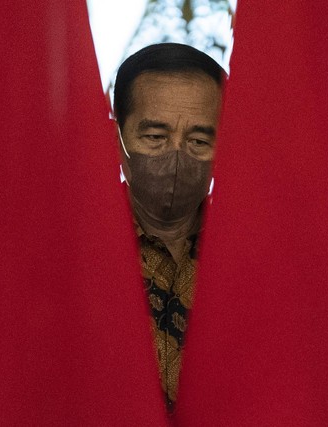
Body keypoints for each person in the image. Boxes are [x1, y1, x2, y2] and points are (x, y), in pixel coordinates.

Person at [113, 43, 224, 412]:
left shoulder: (251, 255)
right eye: (155, 137)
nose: (177, 157)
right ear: (117, 141)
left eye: (198, 141)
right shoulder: (74, 249)